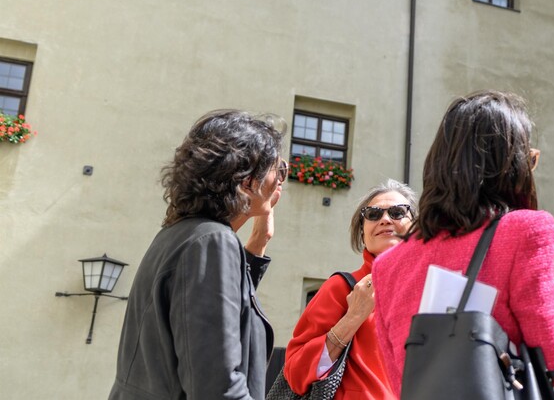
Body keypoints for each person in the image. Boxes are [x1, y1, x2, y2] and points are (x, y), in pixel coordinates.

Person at [373, 90, 554, 400]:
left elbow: (399, 381)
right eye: (530, 159)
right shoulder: (524, 232)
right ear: (509, 166)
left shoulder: (388, 265)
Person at [110, 109, 285, 400]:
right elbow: (218, 387)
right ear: (245, 181)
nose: (280, 181)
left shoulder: (182, 234)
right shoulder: (212, 243)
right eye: (276, 170)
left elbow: (220, 316)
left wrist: (257, 243)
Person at [282, 180, 417, 399]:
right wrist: (352, 318)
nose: (385, 219)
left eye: (397, 212)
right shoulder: (341, 287)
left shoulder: (431, 288)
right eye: (373, 214)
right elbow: (295, 374)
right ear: (362, 233)